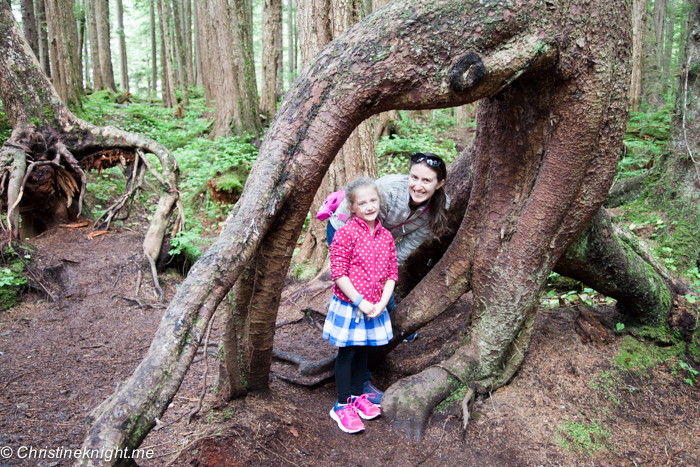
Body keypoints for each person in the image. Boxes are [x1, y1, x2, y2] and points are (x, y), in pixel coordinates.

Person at [326, 152, 449, 405]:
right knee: (359, 294)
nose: (418, 185)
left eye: (426, 180)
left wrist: (386, 274)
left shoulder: (436, 207)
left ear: (440, 184)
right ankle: (361, 382)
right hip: (346, 229)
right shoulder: (388, 190)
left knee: (381, 290)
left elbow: (402, 249)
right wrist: (368, 290)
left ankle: (389, 323)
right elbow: (363, 222)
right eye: (414, 177)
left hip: (379, 242)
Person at [323, 177, 397, 434]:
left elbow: (392, 273)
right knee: (349, 353)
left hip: (375, 306)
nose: (369, 206)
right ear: (352, 208)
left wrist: (381, 304)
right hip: (351, 305)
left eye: (373, 200)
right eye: (362, 202)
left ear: (379, 202)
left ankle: (357, 396)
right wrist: (361, 302)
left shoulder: (385, 236)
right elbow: (339, 273)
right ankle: (342, 405)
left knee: (364, 349)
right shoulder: (345, 233)